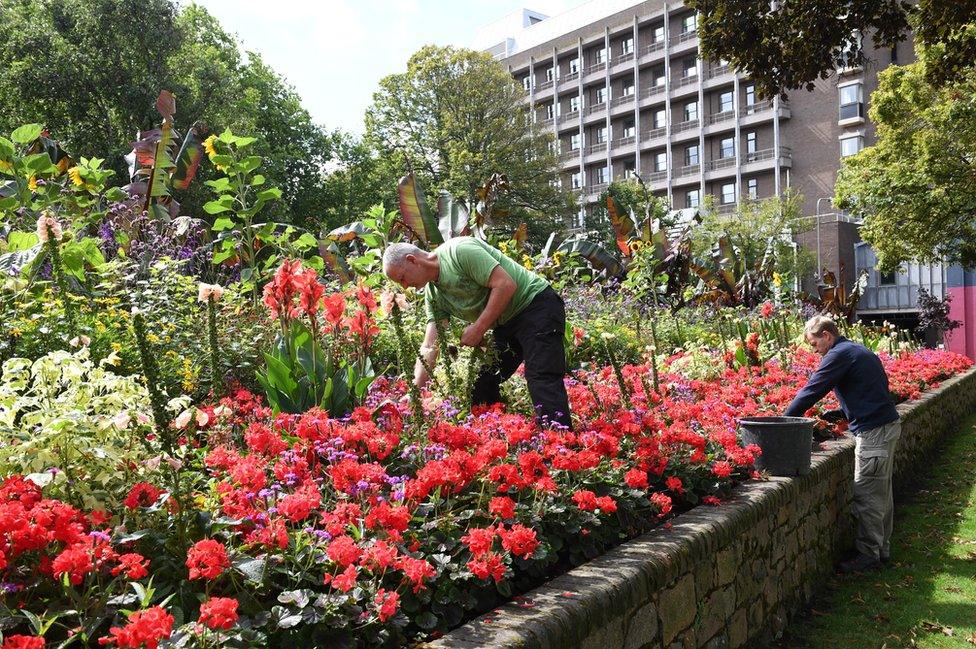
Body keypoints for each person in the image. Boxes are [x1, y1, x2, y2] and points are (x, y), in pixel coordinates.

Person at [382, 237, 572, 429]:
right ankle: (496, 436)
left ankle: (560, 444)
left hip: (537, 305)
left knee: (541, 377)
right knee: (482, 382)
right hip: (505, 323)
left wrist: (478, 328)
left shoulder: (459, 252)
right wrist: (416, 390)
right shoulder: (433, 294)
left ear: (412, 260)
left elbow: (506, 284)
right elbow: (430, 345)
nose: (404, 287)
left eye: (402, 278)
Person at [785, 315, 900, 573]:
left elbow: (812, 389)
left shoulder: (838, 355)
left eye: (815, 343)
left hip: (874, 432)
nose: (814, 350)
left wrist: (783, 418)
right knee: (882, 493)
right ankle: (882, 549)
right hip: (885, 425)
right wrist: (842, 412)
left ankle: (868, 554)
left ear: (827, 335)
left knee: (868, 493)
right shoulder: (856, 349)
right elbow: (868, 390)